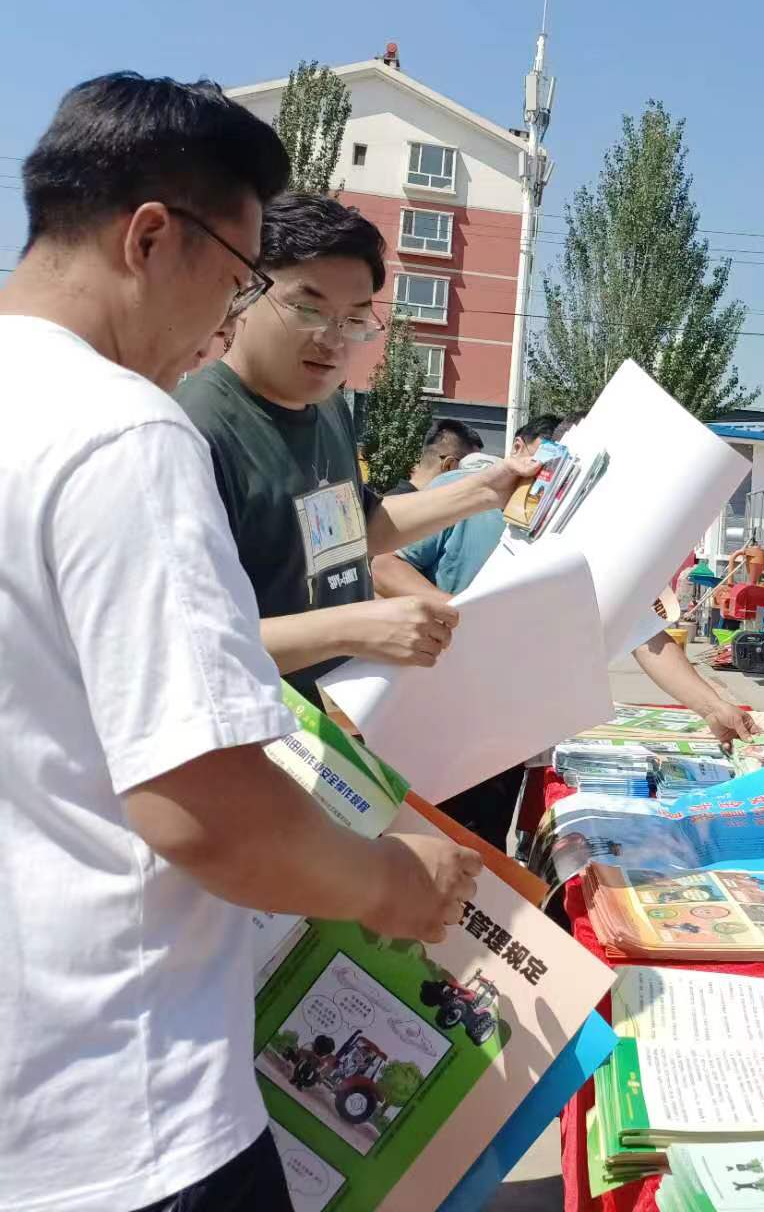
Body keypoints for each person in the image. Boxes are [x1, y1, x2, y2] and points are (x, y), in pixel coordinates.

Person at [0, 72, 479, 1212]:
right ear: (149, 238)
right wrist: (391, 883)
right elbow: (203, 807)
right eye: (241, 279)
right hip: (126, 1099)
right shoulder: (126, 432)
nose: (227, 321)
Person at [176, 193, 537, 704]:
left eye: (353, 319)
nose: (332, 339)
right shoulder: (192, 431)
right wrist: (353, 628)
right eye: (308, 308)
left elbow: (356, 529)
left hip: (340, 725)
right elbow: (183, 647)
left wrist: (486, 490)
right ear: (245, 294)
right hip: (251, 733)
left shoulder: (328, 409)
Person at [370, 415, 760, 845]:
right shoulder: (467, 493)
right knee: (403, 841)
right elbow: (383, 564)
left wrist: (712, 706)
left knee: (477, 850)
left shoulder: (601, 535)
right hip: (427, 708)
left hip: (505, 731)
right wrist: (463, 616)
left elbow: (645, 635)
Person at [388, 417, 483, 495]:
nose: (475, 479)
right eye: (472, 468)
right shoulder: (421, 509)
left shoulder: (389, 503)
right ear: (449, 465)